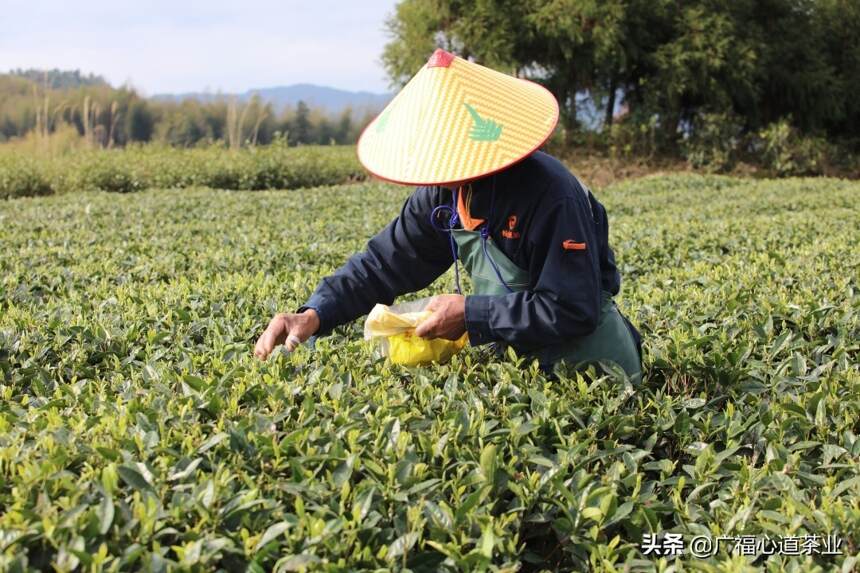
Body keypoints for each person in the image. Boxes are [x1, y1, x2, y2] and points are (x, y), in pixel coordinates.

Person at [254, 49, 642, 381]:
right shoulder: (444, 194)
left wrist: (470, 313)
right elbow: (382, 265)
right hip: (520, 366)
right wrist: (313, 313)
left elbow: (572, 308)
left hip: (595, 371)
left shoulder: (551, 195)